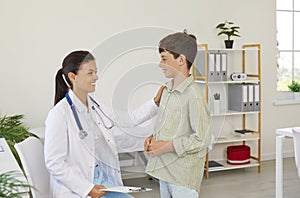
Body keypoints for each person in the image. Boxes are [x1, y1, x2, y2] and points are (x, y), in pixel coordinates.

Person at [44, 50, 163, 198]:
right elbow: (54, 163)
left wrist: (155, 102)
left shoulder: (95, 105)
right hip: (78, 187)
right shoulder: (59, 114)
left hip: (102, 180)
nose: (96, 77)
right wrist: (87, 189)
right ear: (73, 77)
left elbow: (129, 119)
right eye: (90, 73)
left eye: (96, 72)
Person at [144, 31, 211, 197]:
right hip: (165, 170)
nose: (161, 64)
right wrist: (154, 138)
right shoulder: (167, 90)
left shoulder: (193, 95)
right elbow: (172, 125)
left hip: (182, 176)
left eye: (164, 58)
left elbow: (202, 140)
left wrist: (165, 146)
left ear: (181, 60)